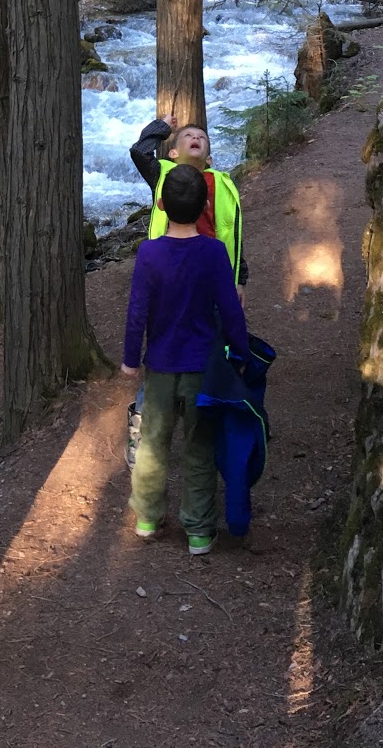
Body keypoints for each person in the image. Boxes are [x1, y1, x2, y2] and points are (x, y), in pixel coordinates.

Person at [121, 163, 249, 554]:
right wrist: (241, 352)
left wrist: (129, 359)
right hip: (201, 368)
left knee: (153, 444)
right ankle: (198, 531)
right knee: (199, 447)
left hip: (159, 365)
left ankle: (146, 517)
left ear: (160, 203)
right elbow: (231, 310)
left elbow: (136, 310)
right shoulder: (213, 253)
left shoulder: (149, 252)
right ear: (206, 205)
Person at [130, 114, 248, 299]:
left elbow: (233, 231)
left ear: (209, 159)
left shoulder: (223, 183)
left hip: (211, 266)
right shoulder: (162, 174)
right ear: (173, 154)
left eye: (202, 138)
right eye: (188, 136)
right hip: (171, 267)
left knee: (215, 320)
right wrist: (163, 126)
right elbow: (139, 151)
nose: (196, 138)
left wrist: (239, 280)